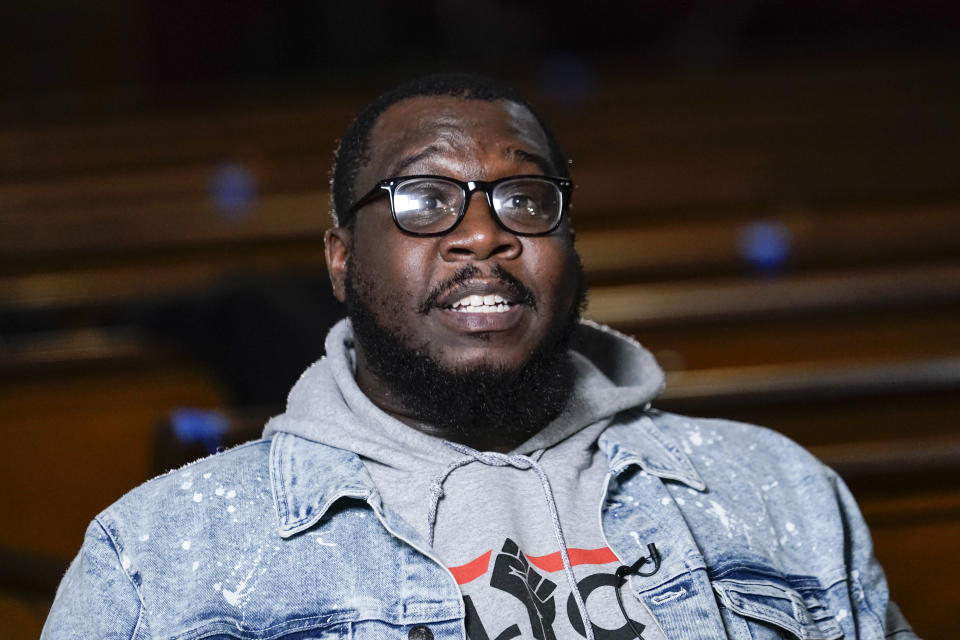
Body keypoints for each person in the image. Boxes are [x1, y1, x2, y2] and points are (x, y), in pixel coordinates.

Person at [42, 73, 916, 640]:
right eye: (425, 198)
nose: (484, 235)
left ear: (570, 244)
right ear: (341, 258)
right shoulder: (157, 554)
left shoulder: (779, 491)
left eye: (524, 199)